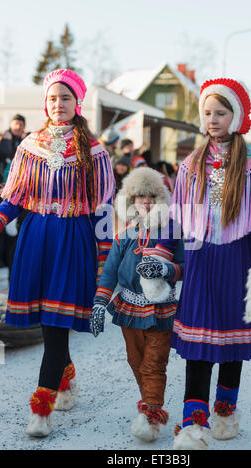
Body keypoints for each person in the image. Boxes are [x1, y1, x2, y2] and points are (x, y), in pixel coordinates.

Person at [136, 78, 251, 450]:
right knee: (198, 346)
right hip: (201, 261)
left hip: (237, 262)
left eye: (220, 113)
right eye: (207, 112)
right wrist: (159, 252)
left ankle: (225, 410)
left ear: (235, 116)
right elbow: (175, 216)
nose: (212, 119)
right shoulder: (191, 163)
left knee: (232, 345)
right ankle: (193, 425)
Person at [0, 69, 115, 437]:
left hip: (73, 240)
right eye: (52, 98)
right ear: (44, 103)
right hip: (35, 240)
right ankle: (65, 380)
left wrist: (105, 256)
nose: (58, 104)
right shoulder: (29, 145)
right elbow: (15, 196)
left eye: (65, 98)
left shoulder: (92, 151)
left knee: (56, 324)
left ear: (77, 103)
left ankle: (41, 410)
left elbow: (102, 207)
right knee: (50, 326)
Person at [89, 167, 184, 442]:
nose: (146, 201)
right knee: (136, 361)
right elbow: (109, 272)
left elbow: (185, 266)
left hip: (159, 308)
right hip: (128, 308)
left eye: (152, 196)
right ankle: (148, 404)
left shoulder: (171, 232)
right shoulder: (123, 234)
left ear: (161, 199)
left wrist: (166, 270)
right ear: (130, 201)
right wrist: (99, 304)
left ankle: (151, 414)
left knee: (155, 364)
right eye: (140, 196)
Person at [0, 115, 29, 272]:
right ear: (11, 124)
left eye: (21, 124)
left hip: (23, 195)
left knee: (16, 235)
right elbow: (4, 155)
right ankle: (5, 264)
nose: (18, 127)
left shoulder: (29, 140)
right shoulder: (5, 140)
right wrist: (5, 141)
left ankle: (13, 267)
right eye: (16, 123)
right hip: (6, 194)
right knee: (7, 233)